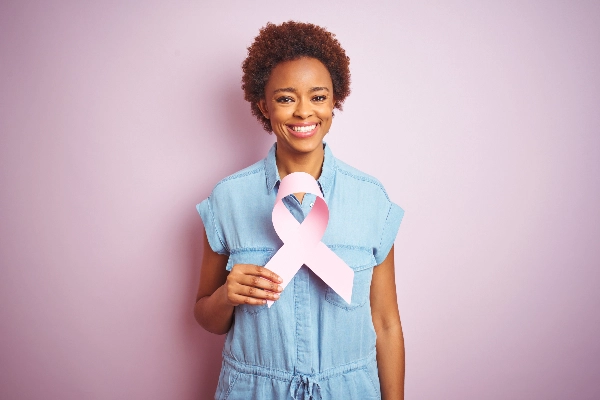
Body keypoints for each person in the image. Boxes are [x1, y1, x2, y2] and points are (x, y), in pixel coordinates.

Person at [194, 21, 405, 400]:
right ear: (264, 106)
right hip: (254, 390)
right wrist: (227, 295)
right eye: (286, 98)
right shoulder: (228, 199)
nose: (304, 112)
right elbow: (206, 317)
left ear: (334, 102)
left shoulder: (371, 200)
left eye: (318, 97)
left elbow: (386, 323)